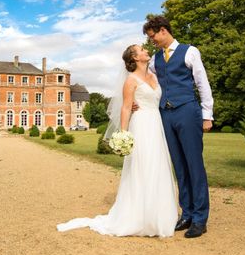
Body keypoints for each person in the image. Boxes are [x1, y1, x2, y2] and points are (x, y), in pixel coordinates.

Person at [57, 44, 178, 237]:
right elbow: (126, 107)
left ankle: (159, 216)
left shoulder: (154, 75)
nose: (146, 50)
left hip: (156, 124)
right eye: (141, 50)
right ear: (135, 58)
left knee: (158, 166)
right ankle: (139, 217)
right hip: (141, 125)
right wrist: (123, 134)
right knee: (142, 166)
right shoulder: (131, 80)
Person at [143, 15, 213, 239]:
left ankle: (200, 219)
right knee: (179, 167)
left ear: (163, 30)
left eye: (153, 37)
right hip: (165, 114)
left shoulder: (190, 51)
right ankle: (187, 213)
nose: (152, 41)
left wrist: (207, 115)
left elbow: (202, 83)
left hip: (187, 111)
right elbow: (148, 85)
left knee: (194, 164)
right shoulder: (154, 60)